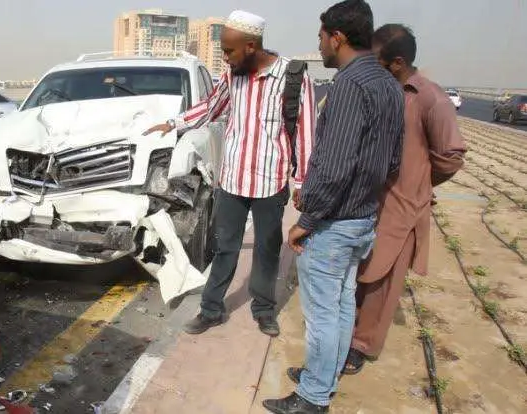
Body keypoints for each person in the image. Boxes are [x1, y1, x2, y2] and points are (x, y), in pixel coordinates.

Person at [262, 1, 404, 413]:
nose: (319, 44)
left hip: (335, 222)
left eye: (321, 37)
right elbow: (392, 160)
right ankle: (323, 376)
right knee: (341, 304)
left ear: (337, 37)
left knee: (323, 314)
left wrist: (306, 221)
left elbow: (335, 164)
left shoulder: (349, 85)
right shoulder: (388, 85)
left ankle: (312, 399)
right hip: (362, 217)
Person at [143, 10, 316, 337]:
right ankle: (211, 309)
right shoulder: (231, 75)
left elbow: (306, 133)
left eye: (229, 50)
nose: (225, 56)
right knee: (225, 247)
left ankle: (263, 309)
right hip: (233, 180)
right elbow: (211, 107)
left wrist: (303, 182)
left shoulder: (292, 77)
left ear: (251, 46)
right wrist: (174, 123)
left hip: (270, 181)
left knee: (266, 249)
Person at [342, 24, 466, 374]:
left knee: (381, 282)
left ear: (396, 63)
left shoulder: (431, 99)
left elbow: (450, 157)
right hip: (368, 200)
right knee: (360, 273)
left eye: (375, 60)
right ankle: (346, 333)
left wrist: (419, 184)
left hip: (401, 207)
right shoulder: (382, 91)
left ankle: (362, 346)